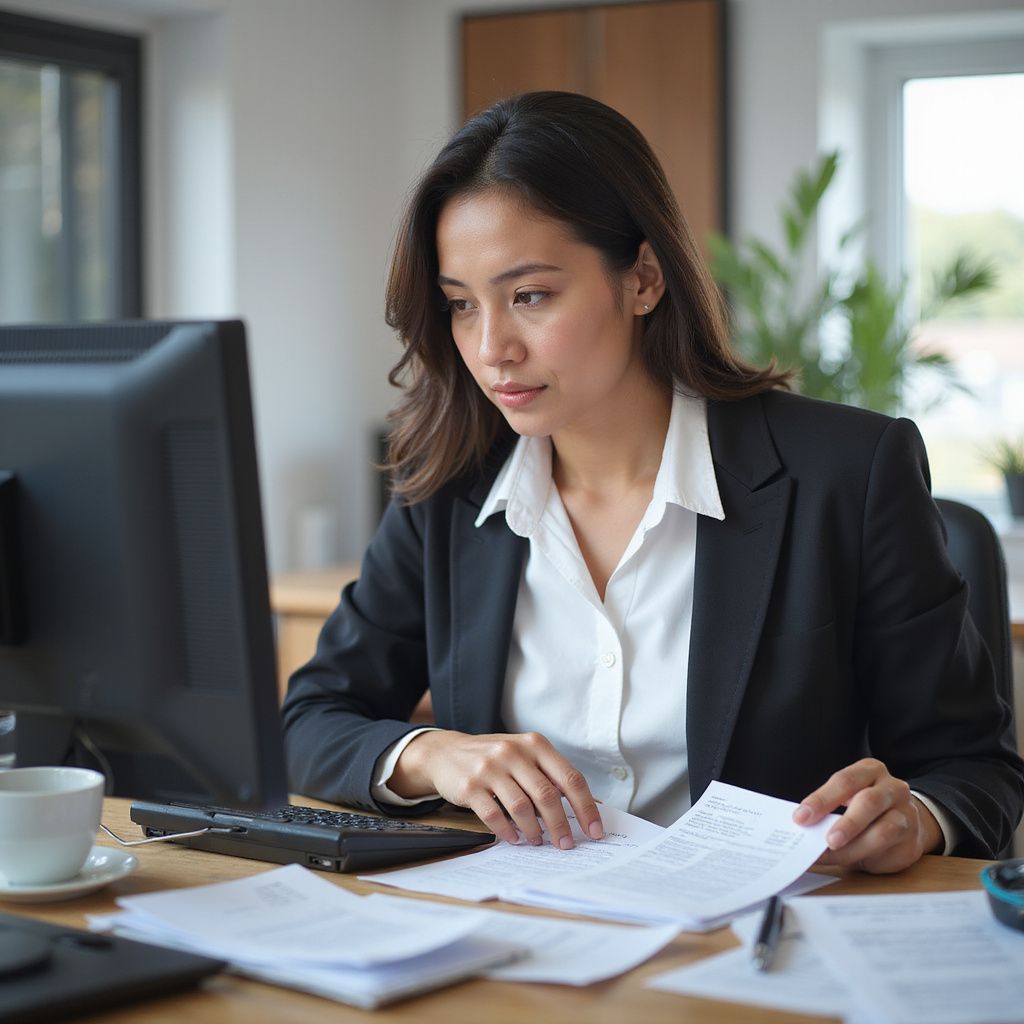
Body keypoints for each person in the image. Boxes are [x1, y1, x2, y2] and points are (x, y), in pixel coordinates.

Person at [282, 91, 1023, 872]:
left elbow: (976, 770)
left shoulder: (847, 473)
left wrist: (917, 818)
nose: (492, 346)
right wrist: (435, 756)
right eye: (462, 305)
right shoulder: (448, 485)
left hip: (753, 947)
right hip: (518, 939)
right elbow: (313, 719)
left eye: (530, 296)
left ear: (642, 278)